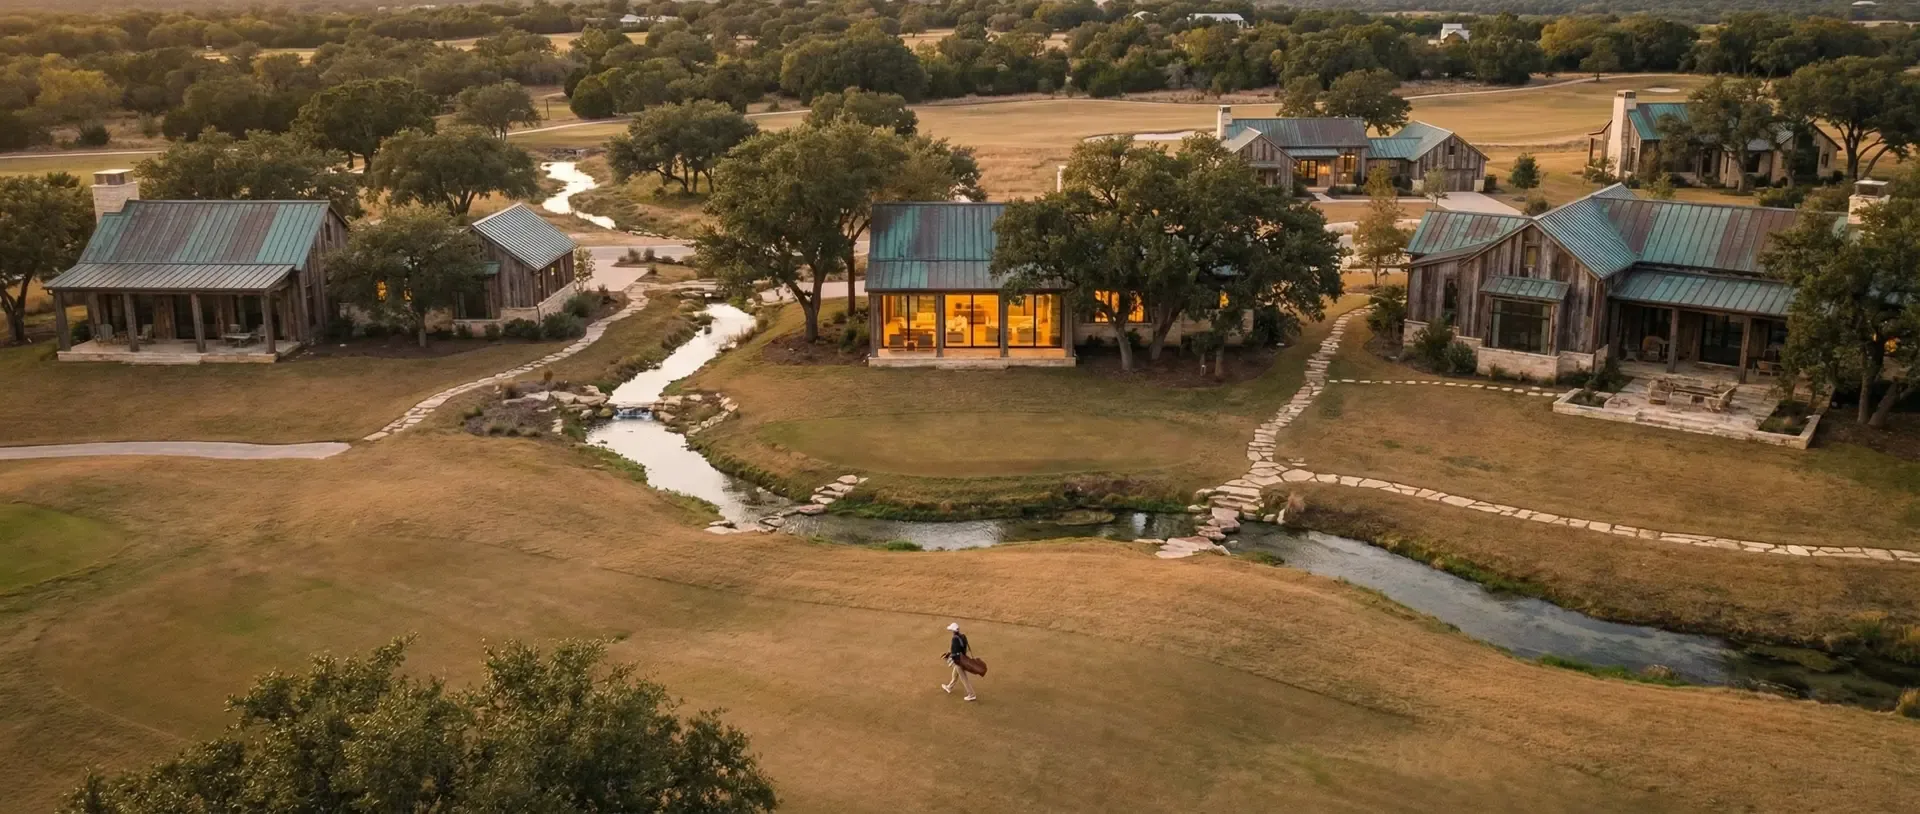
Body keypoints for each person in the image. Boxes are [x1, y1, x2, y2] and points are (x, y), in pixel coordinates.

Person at [941, 622, 977, 701]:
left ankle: (971, 694)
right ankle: (949, 687)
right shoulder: (963, 636)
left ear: (953, 631)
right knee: (955, 673)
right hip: (963, 658)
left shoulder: (954, 639)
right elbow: (964, 648)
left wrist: (949, 657)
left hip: (959, 661)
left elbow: (954, 651)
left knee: (964, 678)